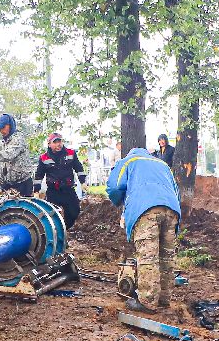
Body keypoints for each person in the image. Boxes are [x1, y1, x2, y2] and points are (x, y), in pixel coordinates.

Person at [105, 145, 182, 313]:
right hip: (171, 209)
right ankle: (164, 299)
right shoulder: (162, 164)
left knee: (148, 256)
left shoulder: (129, 161)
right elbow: (176, 191)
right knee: (166, 255)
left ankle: (147, 301)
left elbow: (114, 186)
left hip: (145, 209)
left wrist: (120, 202)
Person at [34, 132, 86, 230]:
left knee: (74, 212)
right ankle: (57, 233)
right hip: (53, 192)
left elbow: (79, 168)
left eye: (60, 141)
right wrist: (36, 191)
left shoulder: (71, 153)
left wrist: (83, 182)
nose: (58, 144)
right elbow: (39, 175)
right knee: (52, 216)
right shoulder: (44, 158)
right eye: (55, 142)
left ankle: (65, 228)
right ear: (49, 144)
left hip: (68, 190)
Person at [0, 112, 35, 196]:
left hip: (23, 184)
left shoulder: (19, 138)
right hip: (8, 185)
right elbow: (0, 166)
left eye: (3, 127)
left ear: (10, 125)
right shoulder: (2, 143)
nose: (1, 130)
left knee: (22, 208)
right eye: (0, 128)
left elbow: (9, 154)